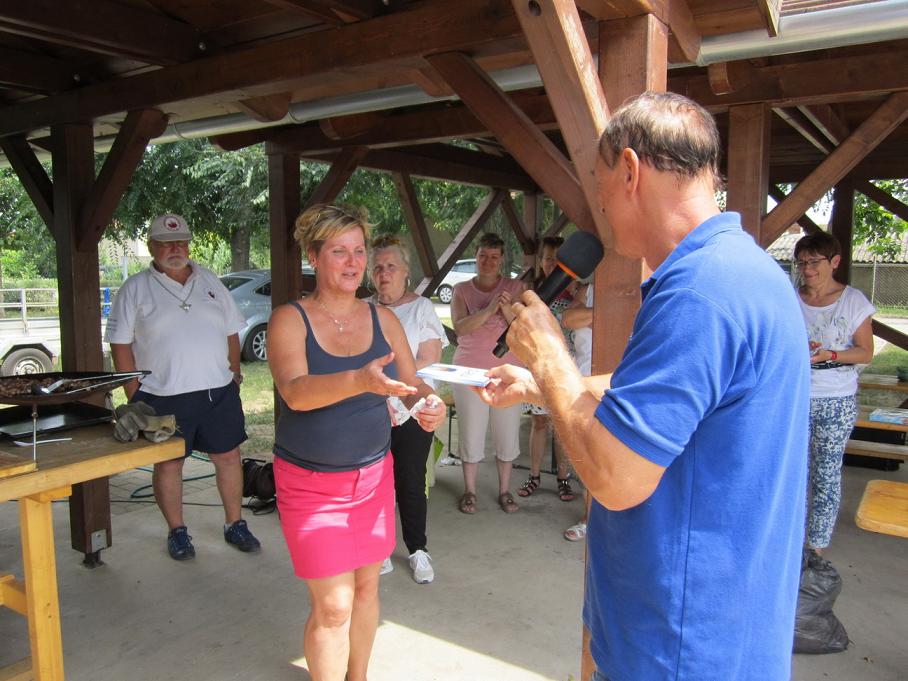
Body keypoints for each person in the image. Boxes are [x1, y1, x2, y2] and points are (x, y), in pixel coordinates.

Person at [478, 92, 809, 680]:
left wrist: (549, 354)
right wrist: (539, 384)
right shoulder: (743, 269)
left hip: (677, 647)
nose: (601, 206)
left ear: (629, 170)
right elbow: (660, 395)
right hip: (719, 629)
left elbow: (617, 479)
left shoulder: (699, 294)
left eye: (600, 184)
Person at [267, 204, 445, 681]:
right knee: (333, 607)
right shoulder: (289, 319)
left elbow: (412, 383)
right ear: (313, 256)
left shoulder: (383, 318)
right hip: (310, 484)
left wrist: (430, 404)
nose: (353, 263)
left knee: (367, 589)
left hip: (372, 478)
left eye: (359, 251)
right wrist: (359, 381)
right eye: (339, 251)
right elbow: (295, 393)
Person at [107, 213, 260, 561]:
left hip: (218, 392)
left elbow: (231, 330)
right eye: (165, 243)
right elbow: (120, 344)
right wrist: (134, 394)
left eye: (180, 242)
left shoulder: (210, 280)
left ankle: (235, 523)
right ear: (151, 247)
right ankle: (177, 531)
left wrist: (234, 374)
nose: (175, 249)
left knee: (228, 456)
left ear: (189, 244)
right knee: (169, 464)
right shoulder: (135, 288)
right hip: (161, 395)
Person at [368, 234, 449, 584]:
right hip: (371, 410)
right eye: (377, 268)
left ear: (405, 271)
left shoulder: (421, 308)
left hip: (412, 408)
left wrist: (393, 389)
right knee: (375, 482)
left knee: (411, 481)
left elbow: (428, 358)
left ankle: (418, 549)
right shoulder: (363, 308)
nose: (384, 273)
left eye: (391, 266)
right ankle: (381, 548)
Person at [795, 230, 875, 555]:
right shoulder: (790, 298)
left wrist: (831, 355)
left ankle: (816, 548)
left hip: (836, 400)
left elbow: (865, 353)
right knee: (793, 472)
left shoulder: (853, 301)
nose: (807, 269)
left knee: (825, 473)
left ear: (835, 262)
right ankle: (791, 541)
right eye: (802, 262)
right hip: (796, 399)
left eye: (814, 261)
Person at [450, 232, 526, 514]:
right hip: (468, 370)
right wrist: (490, 308)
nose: (488, 261)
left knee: (507, 432)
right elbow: (460, 327)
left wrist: (505, 307)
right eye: (483, 256)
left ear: (502, 259)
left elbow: (521, 327)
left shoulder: (515, 287)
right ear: (476, 256)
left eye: (494, 257)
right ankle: (469, 490)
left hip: (507, 371)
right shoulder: (461, 290)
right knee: (471, 431)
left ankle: (505, 490)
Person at [518, 236, 576, 502]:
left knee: (562, 425)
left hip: (567, 365)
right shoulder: (534, 292)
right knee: (539, 421)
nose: (552, 264)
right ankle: (534, 475)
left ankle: (563, 478)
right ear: (541, 261)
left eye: (558, 259)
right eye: (548, 258)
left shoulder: (577, 289)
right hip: (539, 364)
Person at [560, 280, 593, 541]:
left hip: (621, 385)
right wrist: (608, 311)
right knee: (588, 457)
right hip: (585, 386)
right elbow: (569, 318)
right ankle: (589, 518)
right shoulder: (587, 290)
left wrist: (590, 316)